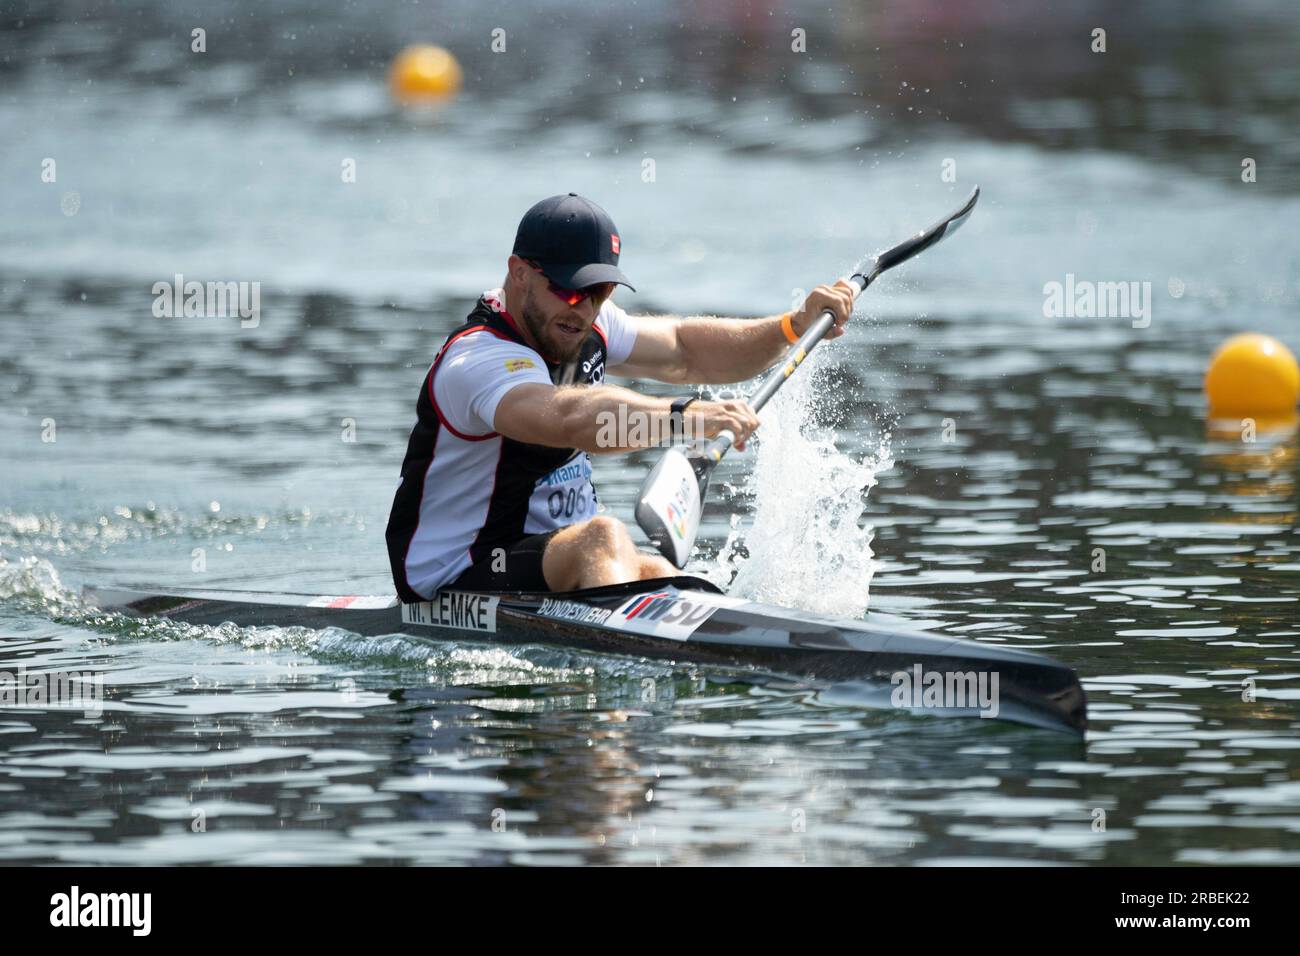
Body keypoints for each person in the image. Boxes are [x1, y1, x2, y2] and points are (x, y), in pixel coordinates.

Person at [386, 193, 855, 601]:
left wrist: (790, 325)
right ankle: (614, 676)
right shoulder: (477, 360)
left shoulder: (583, 321)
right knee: (604, 538)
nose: (585, 309)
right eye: (570, 290)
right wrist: (687, 416)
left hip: (549, 552)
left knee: (668, 576)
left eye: (600, 292)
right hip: (457, 571)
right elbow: (568, 418)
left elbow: (686, 350)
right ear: (520, 273)